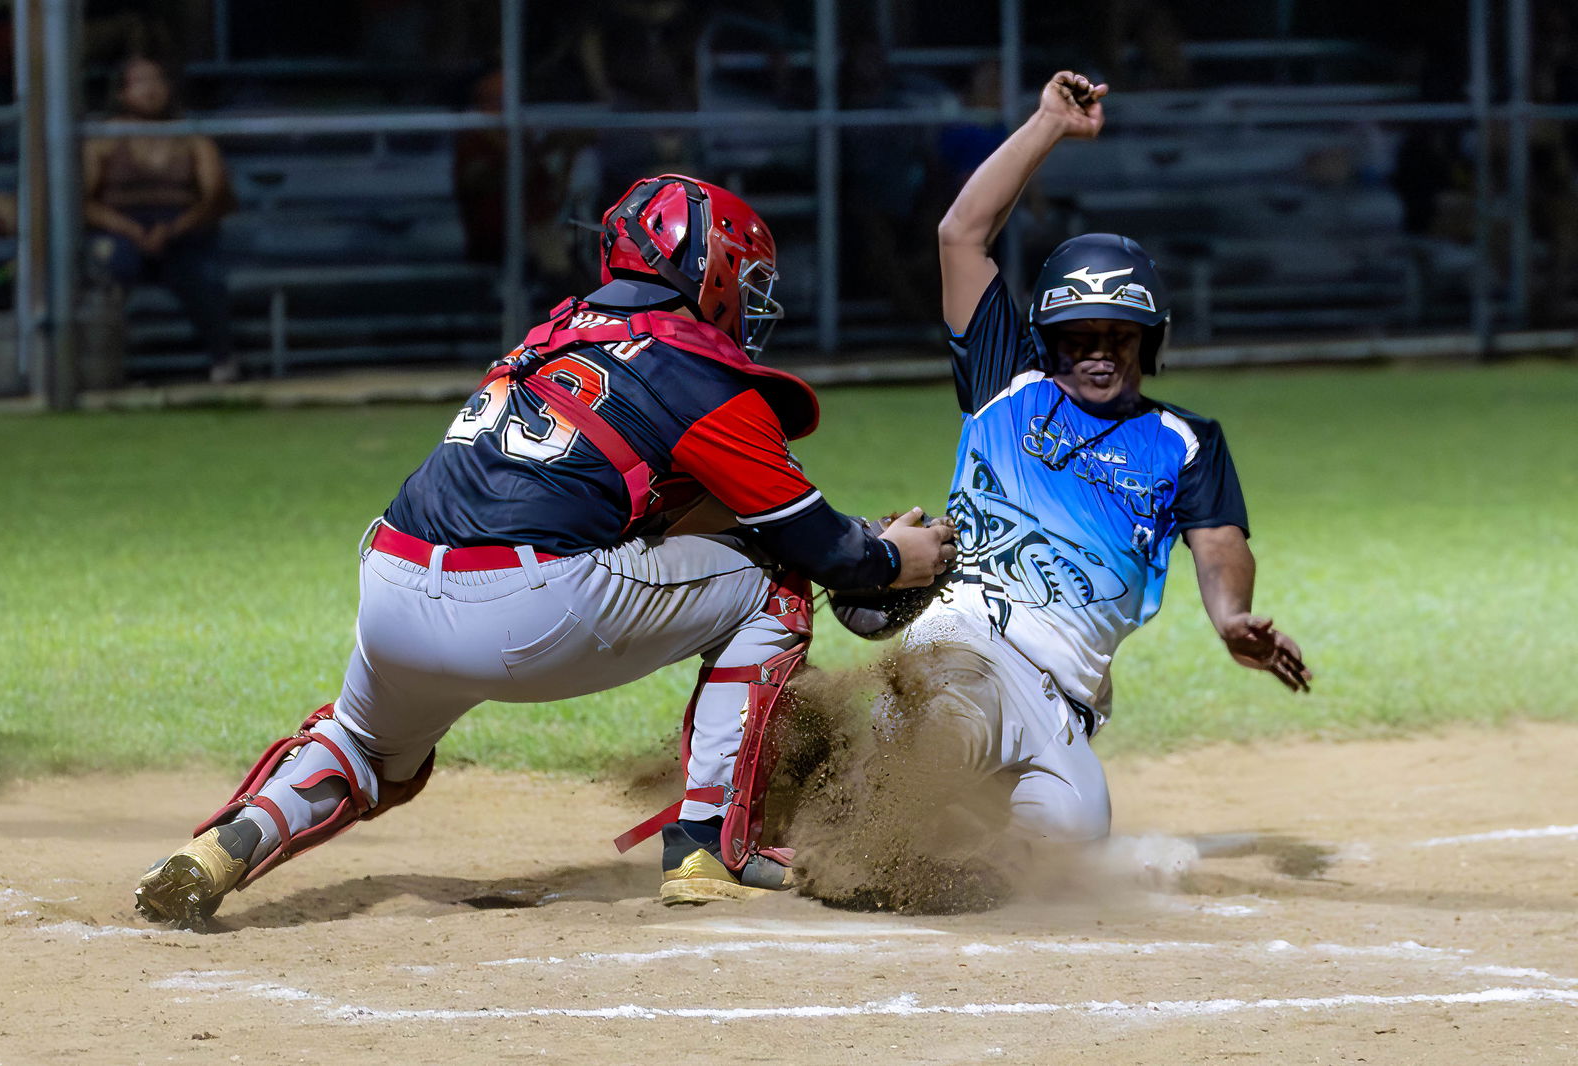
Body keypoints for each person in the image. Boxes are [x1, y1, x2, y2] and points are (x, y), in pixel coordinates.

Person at [133, 174, 956, 925]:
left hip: (391, 582)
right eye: (742, 278)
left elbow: (639, 505)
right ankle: (709, 848)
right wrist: (889, 559)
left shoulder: (552, 337)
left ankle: (218, 845)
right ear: (704, 267)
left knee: (362, 744)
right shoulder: (696, 372)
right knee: (773, 581)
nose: (747, 299)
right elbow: (823, 552)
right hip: (527, 605)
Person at [844, 72, 1310, 859]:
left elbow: (1219, 540)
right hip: (970, 640)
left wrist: (1231, 618)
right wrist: (1047, 126)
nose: (1096, 353)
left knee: (1069, 845)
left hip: (1064, 695)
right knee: (951, 730)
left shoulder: (1186, 441)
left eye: (1116, 337)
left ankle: (920, 827)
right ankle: (858, 835)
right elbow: (961, 234)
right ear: (1048, 339)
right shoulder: (1008, 384)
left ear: (1146, 342)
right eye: (1077, 337)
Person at [83, 55, 237, 383]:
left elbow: (218, 198)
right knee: (109, 265)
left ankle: (223, 360)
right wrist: (130, 229)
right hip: (120, 226)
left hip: (182, 227)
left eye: (157, 80)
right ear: (123, 93)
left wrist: (174, 229)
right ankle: (101, 367)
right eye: (141, 82)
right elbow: (82, 201)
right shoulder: (102, 138)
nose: (151, 89)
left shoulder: (193, 138)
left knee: (203, 272)